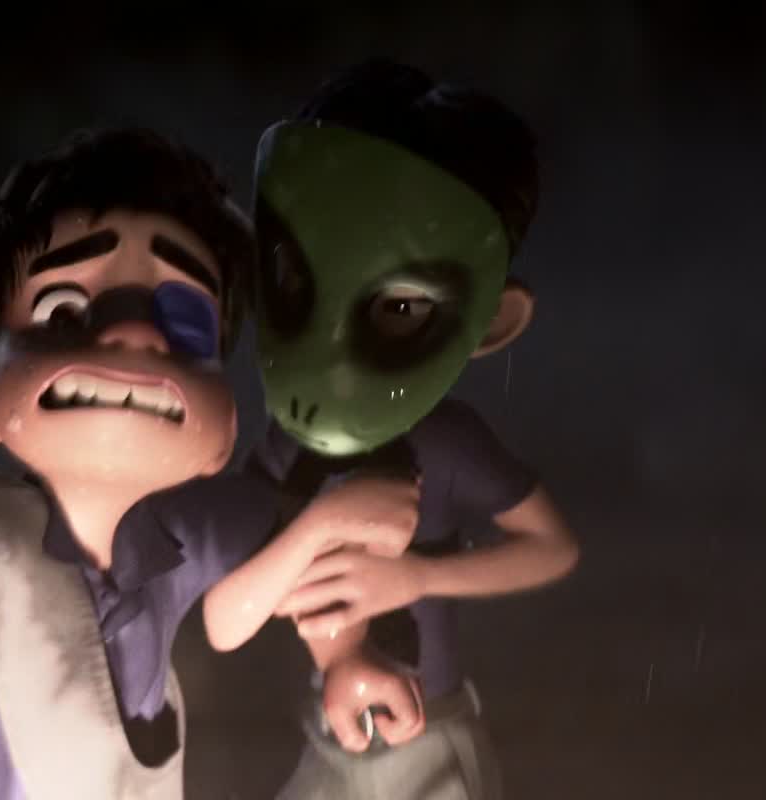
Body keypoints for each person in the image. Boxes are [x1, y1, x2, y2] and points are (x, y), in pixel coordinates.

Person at [0, 127, 426, 800]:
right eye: (65, 313)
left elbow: (291, 556)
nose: (136, 333)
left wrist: (344, 652)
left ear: (222, 431)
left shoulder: (183, 534)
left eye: (185, 323)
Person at [220, 59, 583, 799]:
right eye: (291, 280)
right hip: (330, 735)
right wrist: (319, 531)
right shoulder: (286, 450)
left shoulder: (444, 444)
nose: (330, 355)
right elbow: (231, 610)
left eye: (400, 309)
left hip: (430, 732)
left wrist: (419, 577)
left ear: (489, 324)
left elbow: (553, 549)